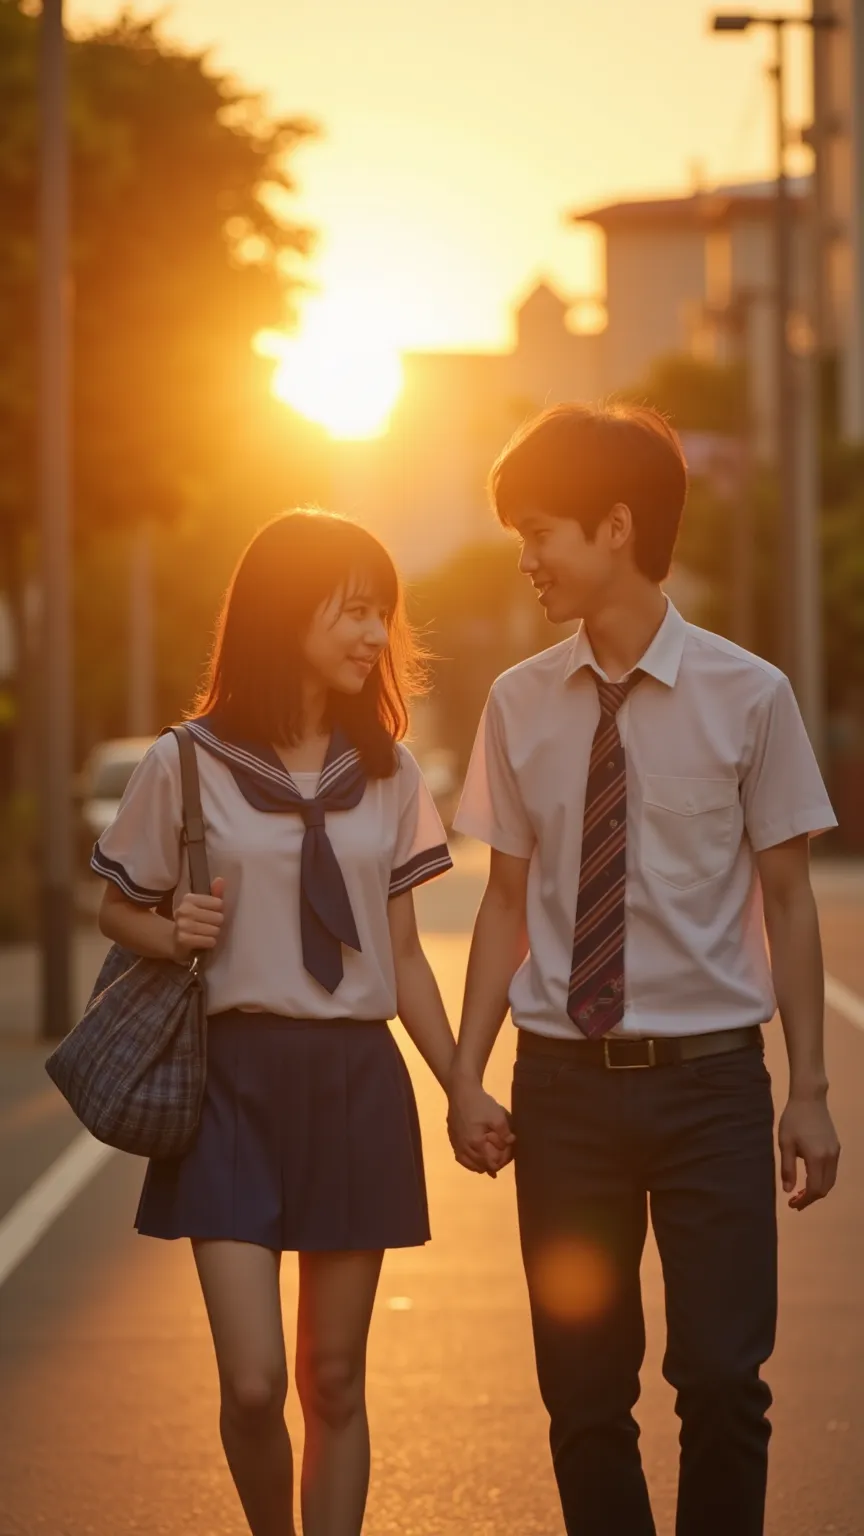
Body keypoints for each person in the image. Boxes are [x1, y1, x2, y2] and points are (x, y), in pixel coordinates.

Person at [447, 402, 841, 1536]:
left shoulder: (750, 695)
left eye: (541, 531)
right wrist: (468, 1075)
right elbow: (507, 901)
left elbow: (787, 901)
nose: (525, 559)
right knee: (581, 1396)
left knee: (723, 1383)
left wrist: (806, 1091)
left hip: (713, 1089)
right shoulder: (519, 702)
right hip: (563, 1092)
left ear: (616, 527)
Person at [92, 509, 456, 1536]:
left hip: (355, 1083)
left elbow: (407, 957)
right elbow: (115, 904)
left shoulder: (389, 774)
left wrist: (461, 1085)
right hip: (232, 1085)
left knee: (334, 1379)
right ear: (280, 611)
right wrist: (169, 935)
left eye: (382, 613)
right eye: (352, 610)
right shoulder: (188, 760)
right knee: (256, 1382)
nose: (375, 635)